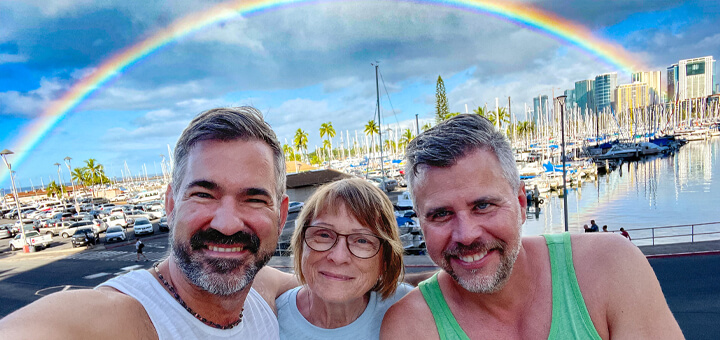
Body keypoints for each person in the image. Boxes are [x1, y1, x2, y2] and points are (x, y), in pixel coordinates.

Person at [381, 114, 682, 339]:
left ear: (522, 204)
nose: (467, 234)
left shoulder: (612, 268)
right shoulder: (411, 328)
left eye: (483, 205)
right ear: (421, 223)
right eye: (441, 214)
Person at [0, 107, 290, 339]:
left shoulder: (264, 292)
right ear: (171, 205)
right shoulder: (122, 317)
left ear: (282, 216)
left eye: (254, 200)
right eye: (203, 194)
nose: (227, 225)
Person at [273, 178, 410, 340]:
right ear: (301, 244)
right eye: (323, 235)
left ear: (385, 260)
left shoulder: (408, 309)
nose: (338, 257)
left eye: (362, 240)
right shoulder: (268, 321)